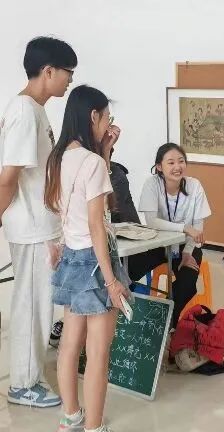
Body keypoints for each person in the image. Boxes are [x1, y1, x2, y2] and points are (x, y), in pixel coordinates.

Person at [45, 85, 132, 432]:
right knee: (97, 353)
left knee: (69, 345)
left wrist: (105, 151)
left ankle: (71, 417)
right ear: (93, 115)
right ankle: (94, 427)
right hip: (96, 262)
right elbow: (98, 223)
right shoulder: (91, 163)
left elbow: (70, 210)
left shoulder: (58, 158)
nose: (109, 124)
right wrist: (111, 282)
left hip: (71, 257)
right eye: (107, 117)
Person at [0, 36, 77, 408]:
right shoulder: (24, 111)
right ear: (48, 71)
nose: (70, 80)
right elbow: (8, 177)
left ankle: (29, 376)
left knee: (40, 306)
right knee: (31, 306)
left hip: (40, 224)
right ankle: (23, 385)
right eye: (67, 72)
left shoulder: (36, 109)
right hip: (30, 227)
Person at [130, 143, 211, 327]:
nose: (177, 167)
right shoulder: (152, 184)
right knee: (126, 271)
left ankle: (164, 325)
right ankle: (127, 321)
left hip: (186, 247)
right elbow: (152, 222)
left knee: (187, 284)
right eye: (171, 162)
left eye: (181, 161)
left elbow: (198, 227)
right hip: (157, 245)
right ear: (159, 166)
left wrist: (188, 252)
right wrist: (184, 228)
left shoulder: (194, 186)